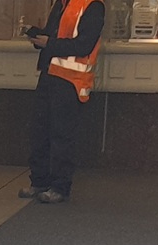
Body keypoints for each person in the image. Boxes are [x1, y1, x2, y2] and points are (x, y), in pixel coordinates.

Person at [21, 0, 105, 204]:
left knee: (61, 135)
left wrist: (48, 43)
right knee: (39, 131)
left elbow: (84, 45)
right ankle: (39, 181)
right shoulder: (61, 4)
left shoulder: (93, 5)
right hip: (50, 74)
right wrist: (38, 37)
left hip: (71, 81)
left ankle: (60, 186)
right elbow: (54, 35)